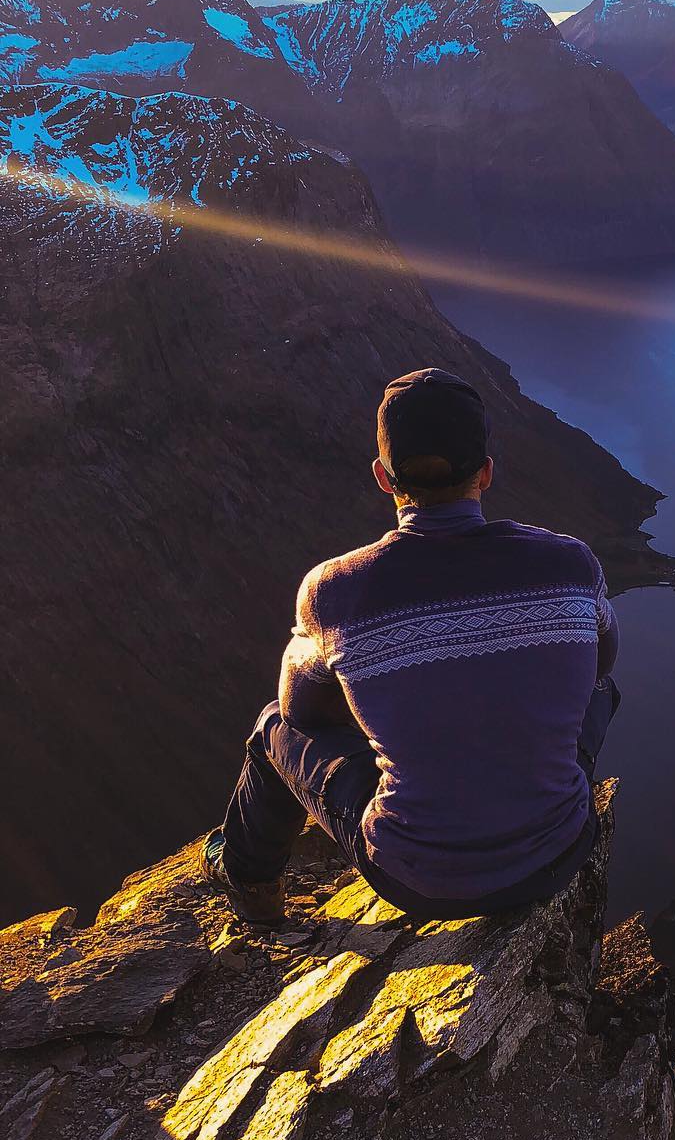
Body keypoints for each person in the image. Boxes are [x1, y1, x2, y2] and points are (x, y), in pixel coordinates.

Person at [202, 367, 620, 925]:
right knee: (600, 687)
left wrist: (403, 707)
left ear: (382, 476)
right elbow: (600, 661)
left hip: (416, 877)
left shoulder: (333, 591)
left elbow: (301, 712)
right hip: (560, 850)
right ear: (487, 473)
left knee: (271, 725)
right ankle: (540, 790)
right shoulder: (571, 563)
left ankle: (249, 881)